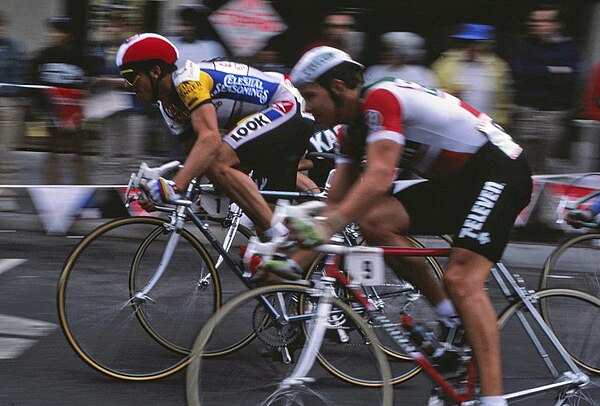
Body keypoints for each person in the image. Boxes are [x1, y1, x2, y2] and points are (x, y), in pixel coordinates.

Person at [285, 46, 532, 405]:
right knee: (374, 220)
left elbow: (380, 176)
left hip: (499, 170)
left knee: (462, 279)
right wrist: (289, 261)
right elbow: (334, 208)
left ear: (338, 87)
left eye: (310, 96)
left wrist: (328, 225)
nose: (306, 107)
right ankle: (448, 316)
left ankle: (494, 400)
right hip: (458, 183)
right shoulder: (350, 132)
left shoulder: (382, 99)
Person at [115, 33, 315, 242]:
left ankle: (282, 235)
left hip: (285, 104)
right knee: (266, 234)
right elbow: (197, 158)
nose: (128, 85)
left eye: (130, 76)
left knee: (220, 161)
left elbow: (209, 139)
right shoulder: (168, 108)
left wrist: (174, 187)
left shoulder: (188, 82)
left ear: (155, 71)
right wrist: (161, 195)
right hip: (269, 120)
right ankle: (298, 250)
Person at [509, 2, 582, 173]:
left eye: (543, 21)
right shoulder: (525, 47)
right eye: (534, 21)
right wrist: (552, 70)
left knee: (546, 166)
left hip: (554, 115)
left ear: (557, 24)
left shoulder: (569, 49)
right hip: (527, 112)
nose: (537, 25)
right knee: (521, 163)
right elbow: (518, 72)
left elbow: (571, 78)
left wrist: (537, 72)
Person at [432, 24, 513, 128]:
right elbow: (431, 91)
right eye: (467, 43)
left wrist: (500, 124)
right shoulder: (446, 63)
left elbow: (504, 102)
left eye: (477, 44)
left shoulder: (499, 67)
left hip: (487, 127)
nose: (471, 47)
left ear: (488, 45)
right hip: (451, 125)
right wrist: (450, 93)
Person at [364, 31, 439, 89]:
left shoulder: (422, 74)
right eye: (384, 49)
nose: (385, 53)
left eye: (390, 50)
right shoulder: (374, 71)